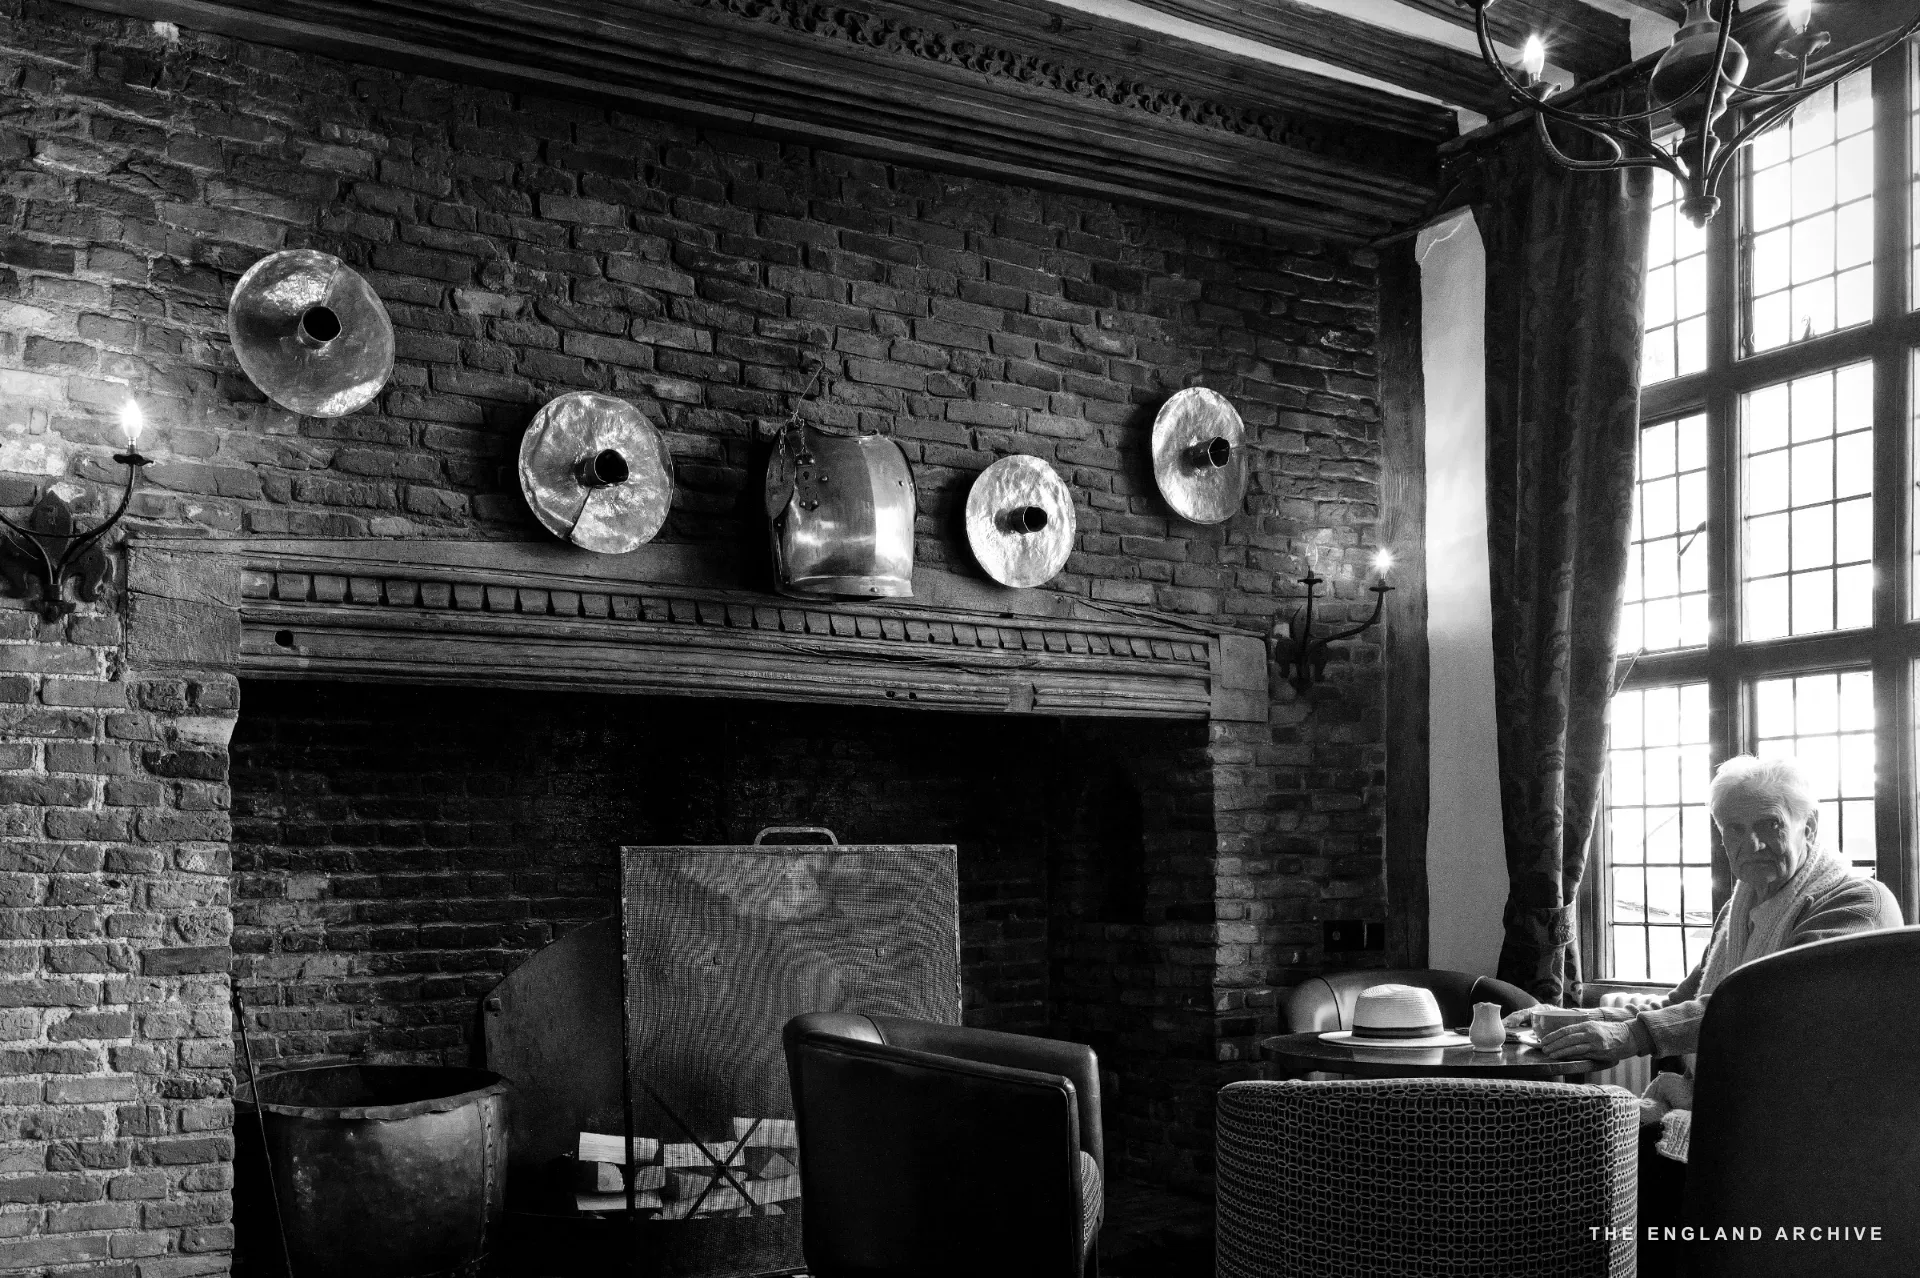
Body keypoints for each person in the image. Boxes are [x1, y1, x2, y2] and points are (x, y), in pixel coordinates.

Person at [1508, 754, 1902, 1275]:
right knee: (1580, 1160)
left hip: (1809, 1127)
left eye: (1770, 826)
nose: (1752, 845)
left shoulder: (1853, 901)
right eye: (1733, 831)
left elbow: (1759, 1007)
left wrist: (1630, 1036)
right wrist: (1564, 1017)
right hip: (1730, 1106)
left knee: (1618, 1166)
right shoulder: (1740, 904)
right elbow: (1687, 1000)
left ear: (1809, 826)